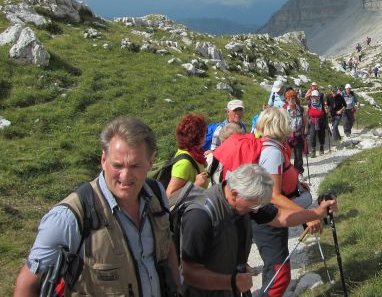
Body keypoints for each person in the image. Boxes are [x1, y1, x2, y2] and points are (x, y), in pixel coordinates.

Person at [13, 117, 180, 297]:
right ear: (103, 160)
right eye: (117, 165)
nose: (125, 176)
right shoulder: (70, 216)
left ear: (150, 162)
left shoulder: (156, 195)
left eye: (135, 166)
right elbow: (28, 284)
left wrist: (178, 287)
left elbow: (166, 244)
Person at [180, 164, 336, 297]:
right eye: (254, 206)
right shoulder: (199, 216)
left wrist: (317, 213)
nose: (256, 210)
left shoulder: (246, 200)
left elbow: (281, 217)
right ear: (235, 195)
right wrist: (231, 282)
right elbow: (189, 272)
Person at [252, 107, 322, 297]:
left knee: (274, 270)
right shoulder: (273, 152)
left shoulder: (266, 146)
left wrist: (295, 182)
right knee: (279, 275)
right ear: (281, 125)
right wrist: (309, 216)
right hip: (269, 220)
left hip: (265, 216)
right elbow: (273, 196)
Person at [166, 113, 209, 197]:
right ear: (197, 136)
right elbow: (169, 197)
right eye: (204, 133)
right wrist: (195, 185)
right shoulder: (185, 163)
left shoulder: (194, 153)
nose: (205, 136)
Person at [284, 89, 306, 175]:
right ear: (286, 100)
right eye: (288, 99)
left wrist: (306, 128)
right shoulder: (284, 110)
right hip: (287, 135)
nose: (290, 101)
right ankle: (287, 173)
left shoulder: (300, 109)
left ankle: (299, 173)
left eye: (292, 98)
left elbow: (305, 119)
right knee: (285, 155)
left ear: (295, 99)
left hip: (298, 134)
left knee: (298, 156)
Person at [306, 90, 327, 157]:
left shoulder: (322, 104)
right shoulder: (309, 104)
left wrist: (327, 111)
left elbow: (326, 113)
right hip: (313, 121)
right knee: (312, 135)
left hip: (321, 121)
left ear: (318, 97)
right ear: (311, 97)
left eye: (315, 96)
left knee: (321, 135)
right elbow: (308, 113)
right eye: (313, 96)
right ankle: (313, 150)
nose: (314, 98)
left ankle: (321, 148)